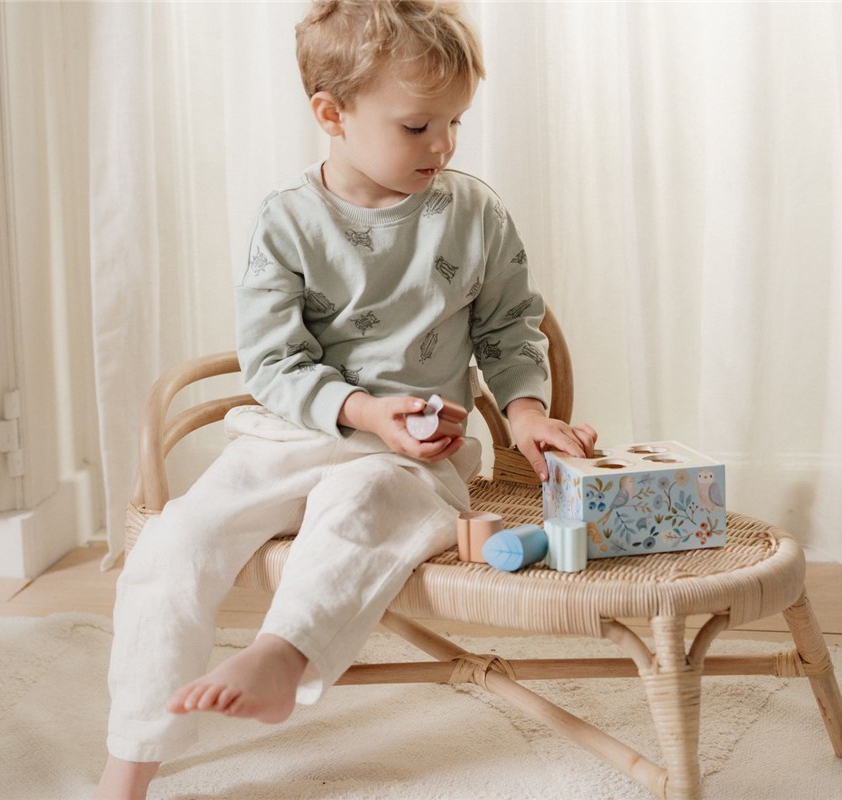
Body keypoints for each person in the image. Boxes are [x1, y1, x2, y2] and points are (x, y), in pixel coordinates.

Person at [94, 1, 597, 797]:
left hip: (413, 458)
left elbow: (509, 330)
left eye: (456, 123)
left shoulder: (474, 214)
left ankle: (280, 656)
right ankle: (127, 766)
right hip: (293, 436)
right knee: (175, 541)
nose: (444, 145)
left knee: (360, 500)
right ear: (332, 114)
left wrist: (527, 414)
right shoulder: (287, 221)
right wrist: (361, 410)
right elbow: (272, 362)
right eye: (418, 126)